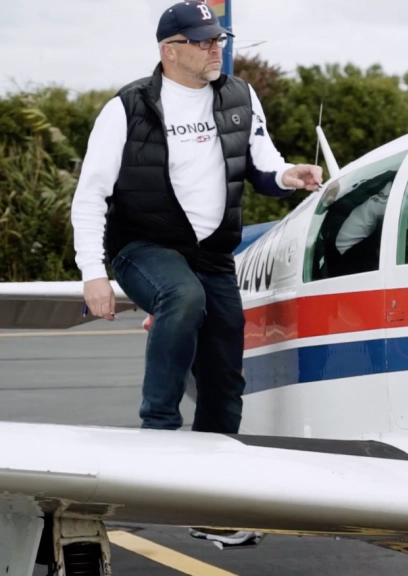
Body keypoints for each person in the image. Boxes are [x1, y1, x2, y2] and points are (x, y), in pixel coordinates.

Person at [70, 1, 322, 436]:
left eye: (219, 39)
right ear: (170, 49)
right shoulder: (127, 108)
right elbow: (91, 195)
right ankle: (159, 428)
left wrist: (289, 175)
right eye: (203, 41)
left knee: (225, 378)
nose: (215, 49)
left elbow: (264, 164)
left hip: (213, 256)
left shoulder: (240, 96)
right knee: (184, 297)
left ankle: (215, 461)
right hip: (143, 248)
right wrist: (93, 274)